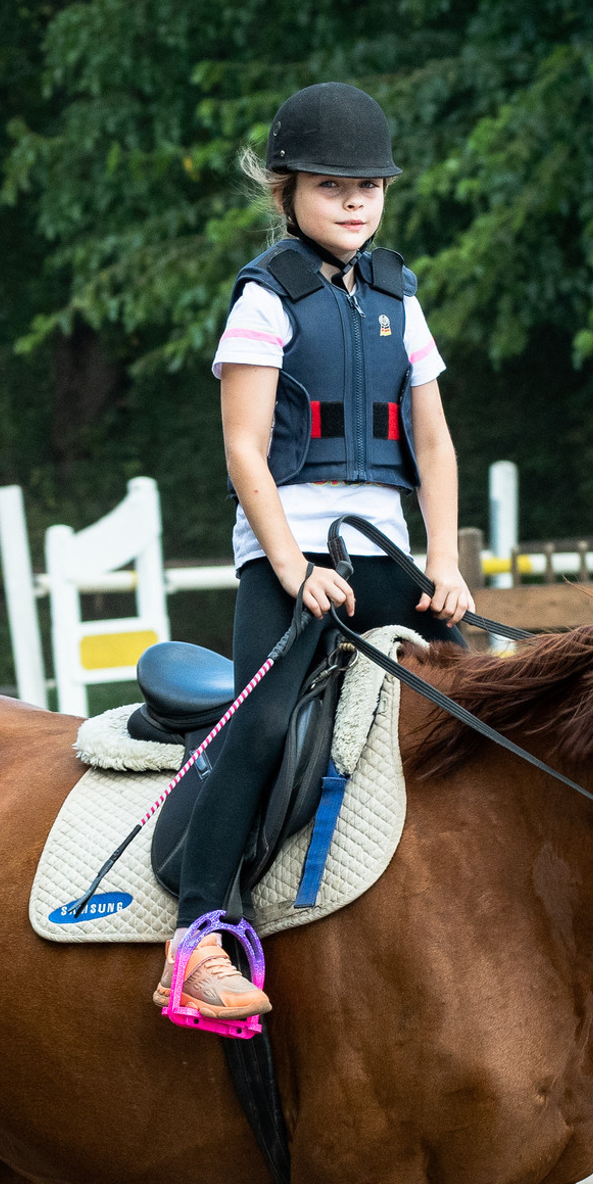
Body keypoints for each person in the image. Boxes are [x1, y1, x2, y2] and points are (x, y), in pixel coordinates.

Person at [157, 81, 473, 1024]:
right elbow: (245, 449)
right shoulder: (264, 300)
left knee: (482, 695)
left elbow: (436, 445)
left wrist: (446, 563)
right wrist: (293, 567)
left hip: (382, 546)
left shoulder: (398, 297)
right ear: (287, 189)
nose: (354, 201)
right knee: (256, 723)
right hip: (287, 552)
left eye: (369, 186)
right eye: (333, 185)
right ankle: (198, 935)